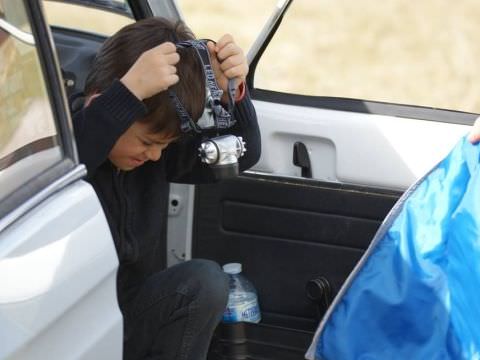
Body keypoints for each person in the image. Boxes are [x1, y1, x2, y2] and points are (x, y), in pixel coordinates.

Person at [70, 17, 261, 360]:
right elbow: (76, 154)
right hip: (70, 328)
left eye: (165, 144)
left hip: (128, 317)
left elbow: (242, 151)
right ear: (104, 107)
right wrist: (127, 94)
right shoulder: (67, 141)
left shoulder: (154, 158)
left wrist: (232, 89)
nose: (156, 155)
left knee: (203, 282)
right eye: (147, 141)